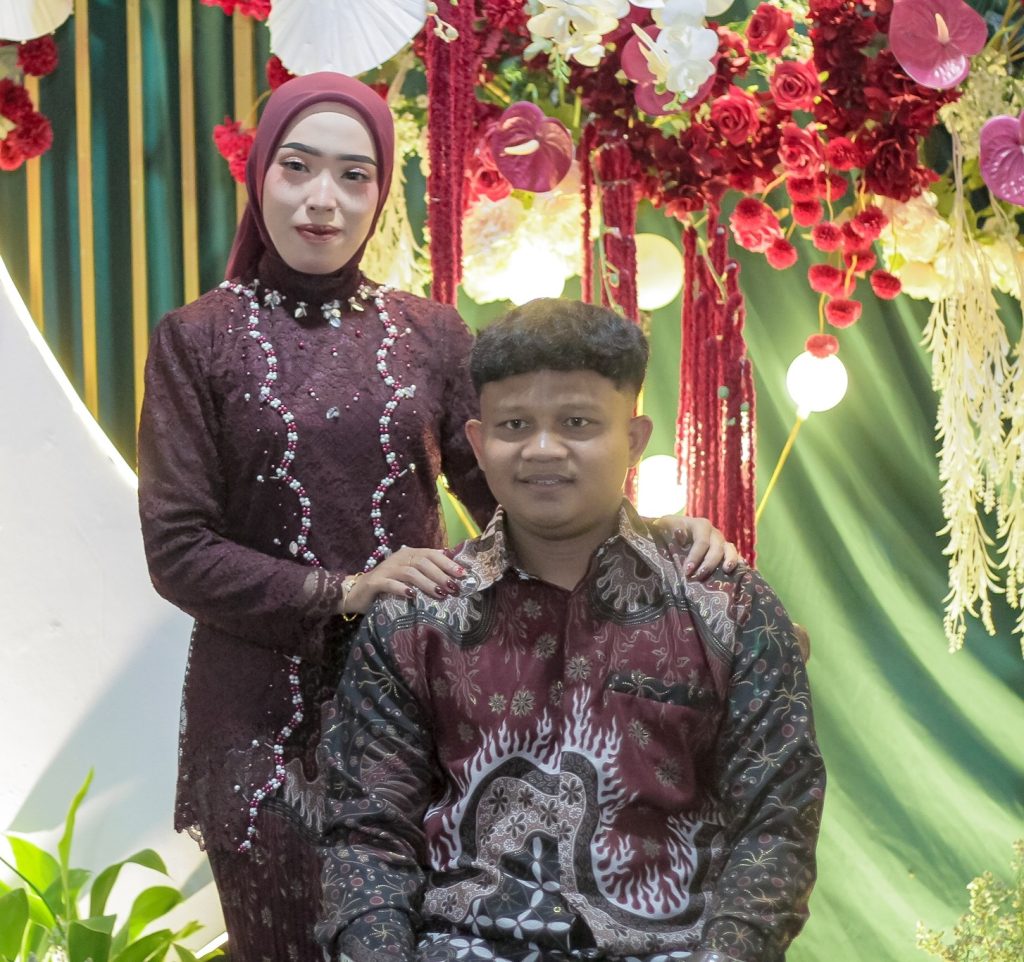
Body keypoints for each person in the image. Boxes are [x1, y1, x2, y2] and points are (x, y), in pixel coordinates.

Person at [137, 74, 736, 962]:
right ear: (261, 175)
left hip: (429, 714)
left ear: (381, 192)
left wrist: (660, 541)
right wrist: (345, 590)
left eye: (355, 175)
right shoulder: (197, 339)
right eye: (298, 167)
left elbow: (519, 497)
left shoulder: (431, 334)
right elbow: (179, 549)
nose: (323, 199)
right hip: (264, 725)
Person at [315, 299, 825, 962]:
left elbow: (776, 825)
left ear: (633, 439)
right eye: (515, 425)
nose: (543, 449)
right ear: (478, 443)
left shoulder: (726, 605)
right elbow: (366, 838)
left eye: (577, 422)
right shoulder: (416, 617)